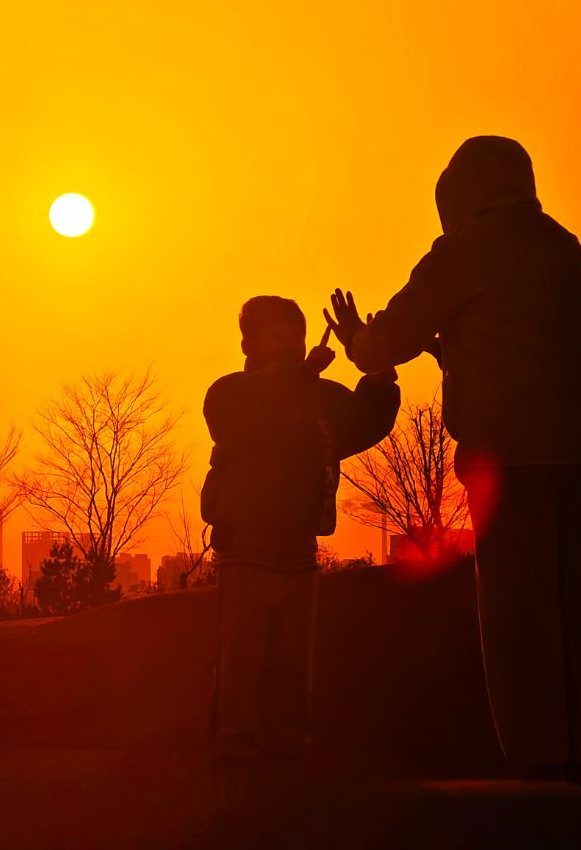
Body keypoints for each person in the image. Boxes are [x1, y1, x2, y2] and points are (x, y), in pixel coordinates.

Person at [323, 136, 581, 789]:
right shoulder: (560, 244)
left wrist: (358, 342)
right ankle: (578, 759)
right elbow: (525, 340)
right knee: (580, 613)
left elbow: (387, 340)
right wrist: (451, 351)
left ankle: (539, 765)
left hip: (514, 454)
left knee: (519, 615)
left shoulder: (463, 250)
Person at [200, 295, 400, 811]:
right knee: (240, 671)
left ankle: (289, 775)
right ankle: (235, 779)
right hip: (244, 554)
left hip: (298, 555)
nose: (288, 345)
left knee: (292, 672)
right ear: (248, 344)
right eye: (275, 336)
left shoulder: (315, 395)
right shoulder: (229, 393)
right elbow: (237, 420)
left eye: (294, 335)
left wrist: (377, 367)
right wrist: (299, 374)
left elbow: (364, 419)